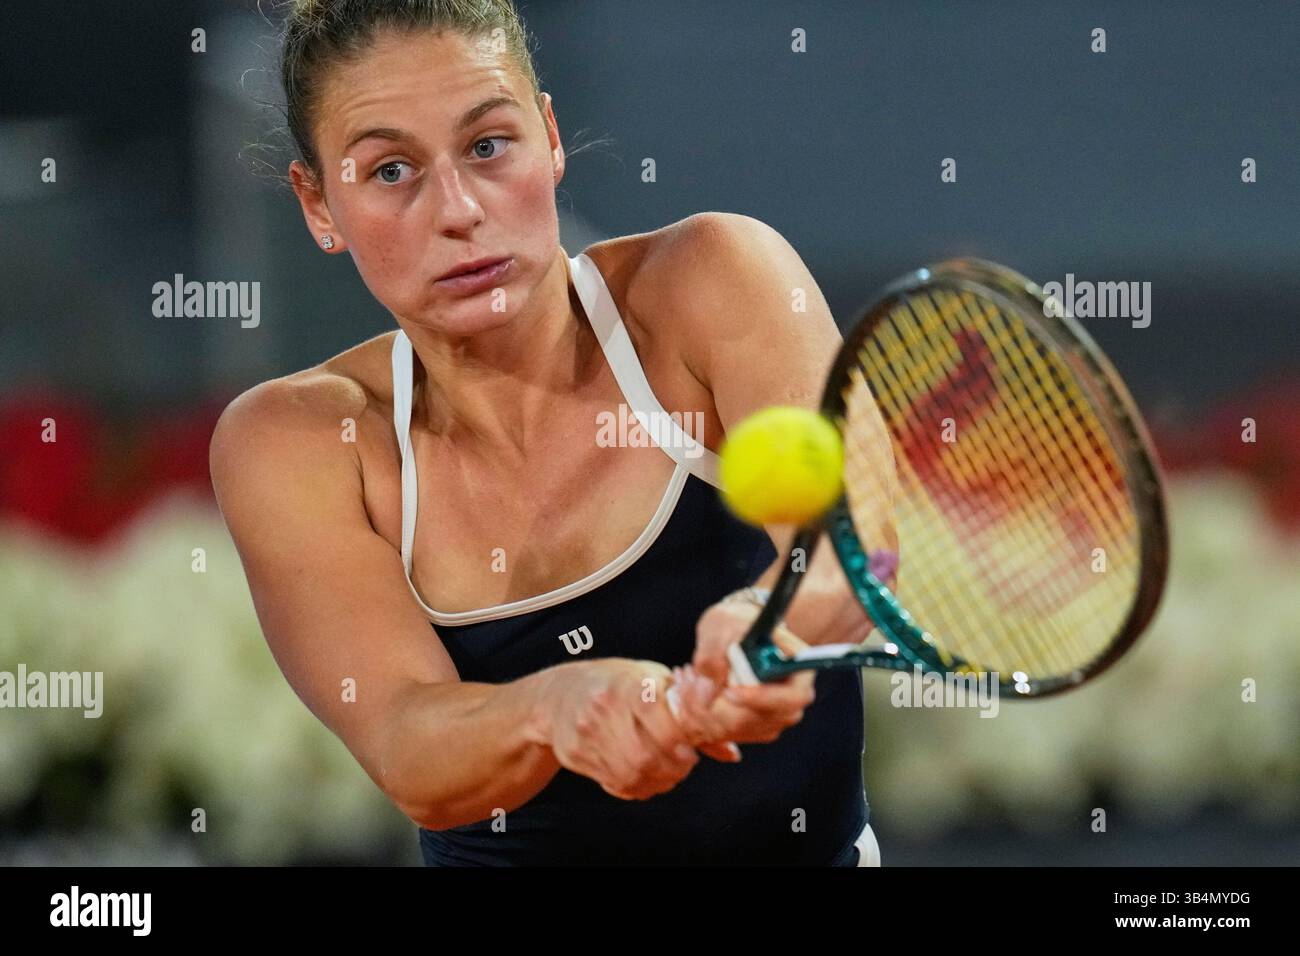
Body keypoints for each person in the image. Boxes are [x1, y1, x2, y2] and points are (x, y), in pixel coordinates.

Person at [210, 0, 886, 865]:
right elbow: (404, 740)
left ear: (551, 136)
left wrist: (775, 619)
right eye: (389, 171)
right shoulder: (293, 442)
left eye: (489, 145)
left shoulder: (716, 277)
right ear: (318, 205)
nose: (457, 210)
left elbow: (853, 542)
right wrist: (554, 711)